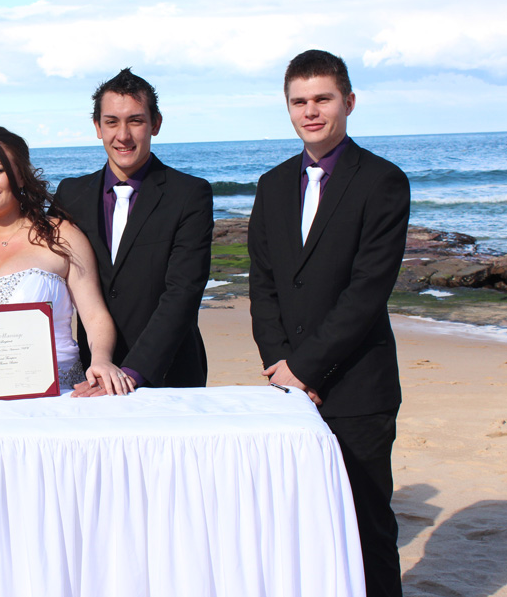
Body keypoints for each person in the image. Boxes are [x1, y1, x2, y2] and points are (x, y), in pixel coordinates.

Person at [248, 49, 409, 597]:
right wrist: (280, 369)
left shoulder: (384, 181)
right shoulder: (270, 185)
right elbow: (263, 285)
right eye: (299, 101)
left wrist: (307, 368)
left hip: (357, 386)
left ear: (349, 102)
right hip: (287, 388)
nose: (310, 111)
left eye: (323, 98)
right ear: (287, 108)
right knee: (303, 527)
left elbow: (367, 292)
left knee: (367, 526)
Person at [0, 126, 133, 395]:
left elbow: (95, 316)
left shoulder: (62, 236)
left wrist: (101, 361)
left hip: (59, 392)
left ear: (20, 175)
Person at [52, 68, 213, 392]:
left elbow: (182, 294)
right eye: (111, 122)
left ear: (155, 123)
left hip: (168, 374)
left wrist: (134, 372)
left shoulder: (189, 194)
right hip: (88, 373)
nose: (122, 135)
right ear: (97, 127)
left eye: (135, 121)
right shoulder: (71, 195)